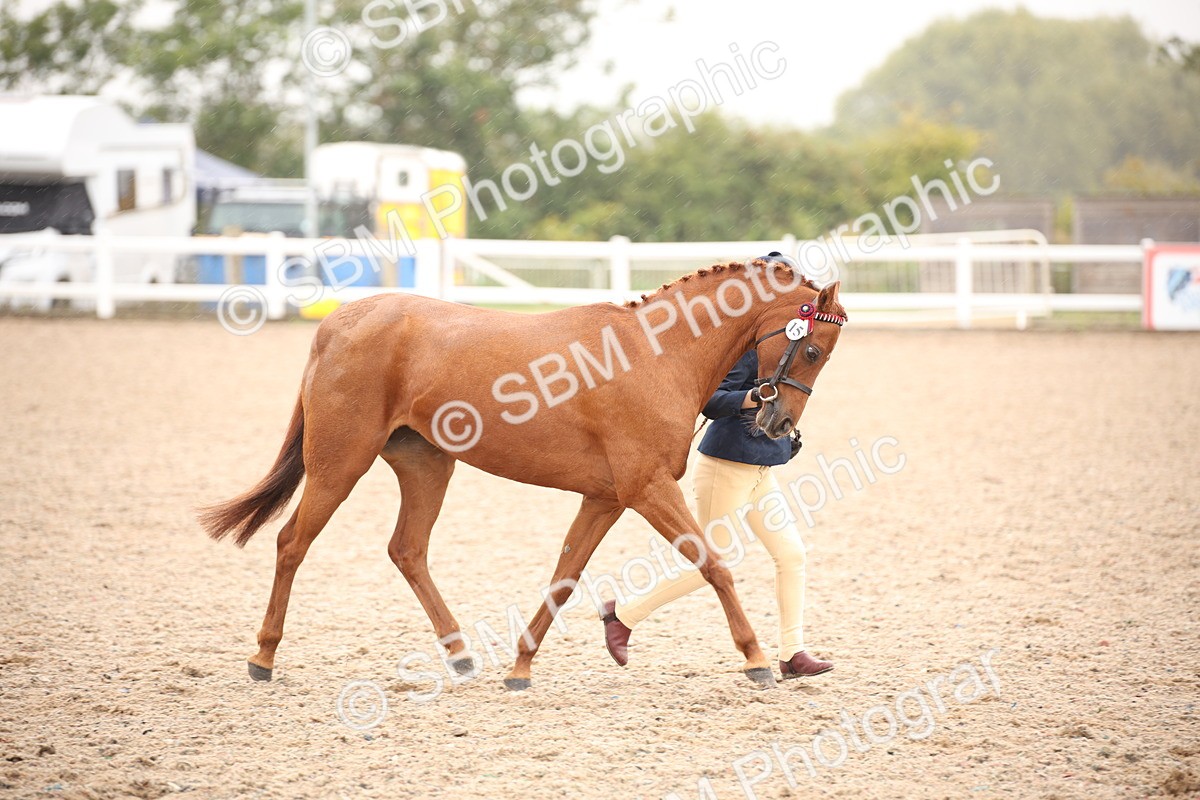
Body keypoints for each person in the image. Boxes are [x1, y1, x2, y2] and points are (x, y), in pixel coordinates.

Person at [601, 349, 833, 679]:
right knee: (710, 565)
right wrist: (754, 397)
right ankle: (622, 615)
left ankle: (792, 653)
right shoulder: (749, 351)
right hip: (724, 469)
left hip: (761, 473)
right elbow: (712, 400)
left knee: (792, 554)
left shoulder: (789, 353)